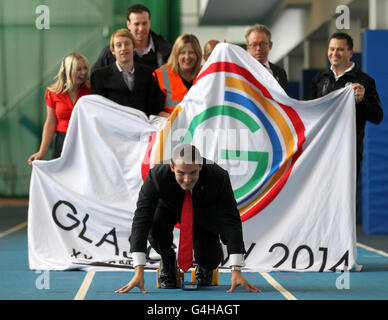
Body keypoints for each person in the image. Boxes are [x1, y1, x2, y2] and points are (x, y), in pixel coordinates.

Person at [115, 144, 261, 293]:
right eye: (181, 173)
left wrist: (236, 270)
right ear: (172, 167)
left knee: (209, 259)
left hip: (203, 215)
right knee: (155, 225)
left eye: (192, 172)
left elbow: (230, 220)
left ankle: (206, 267)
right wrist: (138, 270)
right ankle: (168, 261)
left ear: (200, 166)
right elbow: (141, 218)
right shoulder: (156, 176)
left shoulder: (218, 176)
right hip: (167, 210)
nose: (187, 179)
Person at [311, 32, 383, 179]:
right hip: (321, 150)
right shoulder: (320, 79)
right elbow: (311, 112)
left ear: (351, 53)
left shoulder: (364, 81)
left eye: (340, 49)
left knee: (345, 199)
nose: (334, 53)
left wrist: (361, 101)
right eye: (331, 49)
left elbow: (377, 116)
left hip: (349, 151)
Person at [28, 53, 90, 164]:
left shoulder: (92, 90)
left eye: (85, 68)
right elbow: (50, 122)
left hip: (86, 140)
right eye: (78, 69)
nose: (84, 72)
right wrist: (41, 152)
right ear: (68, 71)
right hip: (62, 141)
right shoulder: (52, 92)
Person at [90, 29, 164, 116]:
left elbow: (155, 108)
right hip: (114, 127)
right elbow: (99, 111)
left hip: (143, 126)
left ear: (134, 47)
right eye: (118, 45)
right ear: (113, 51)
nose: (123, 48)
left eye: (127, 44)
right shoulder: (99, 77)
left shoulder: (148, 74)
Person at [91, 4, 172, 73]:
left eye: (144, 23)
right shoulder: (112, 51)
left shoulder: (165, 49)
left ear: (150, 22)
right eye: (136, 24)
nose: (141, 28)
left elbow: (169, 83)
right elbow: (95, 76)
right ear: (128, 24)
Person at [153, 34, 202, 116]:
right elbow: (155, 111)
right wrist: (176, 120)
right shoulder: (161, 75)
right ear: (176, 55)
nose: (187, 57)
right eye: (182, 53)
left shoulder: (205, 75)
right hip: (170, 125)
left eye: (191, 52)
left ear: (198, 54)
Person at [245, 24, 288, 93]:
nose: (258, 48)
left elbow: (286, 99)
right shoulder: (242, 70)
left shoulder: (280, 72)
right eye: (254, 44)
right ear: (248, 47)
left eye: (262, 44)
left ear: (270, 45)